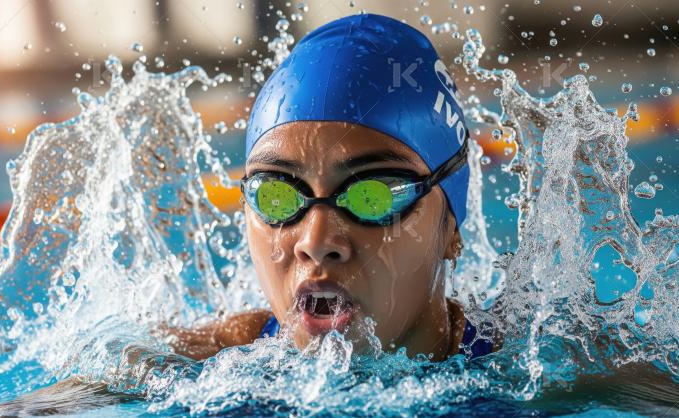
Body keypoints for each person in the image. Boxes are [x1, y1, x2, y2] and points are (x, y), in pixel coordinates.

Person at [164, 13, 495, 361]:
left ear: (451, 230)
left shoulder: (530, 372)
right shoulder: (216, 358)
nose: (316, 242)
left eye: (372, 197)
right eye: (277, 196)